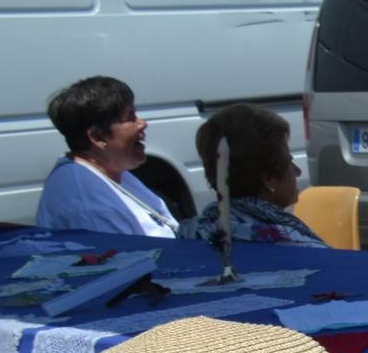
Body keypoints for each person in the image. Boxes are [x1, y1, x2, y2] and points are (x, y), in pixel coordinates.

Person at [34, 77, 178, 237]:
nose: (142, 123)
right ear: (98, 137)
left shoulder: (109, 172)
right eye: (130, 118)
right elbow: (124, 260)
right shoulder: (89, 205)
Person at [176, 104, 327, 249]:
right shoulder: (303, 248)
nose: (298, 172)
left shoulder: (188, 233)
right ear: (268, 179)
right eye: (289, 162)